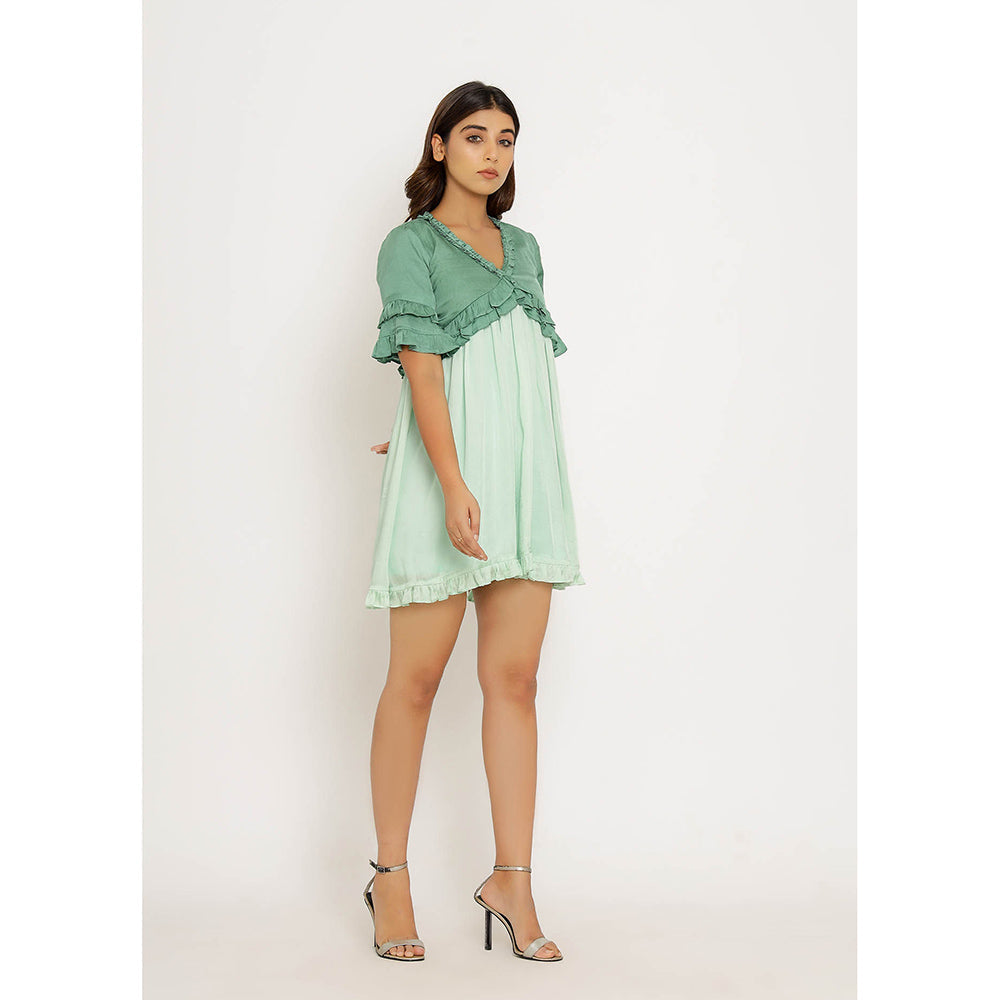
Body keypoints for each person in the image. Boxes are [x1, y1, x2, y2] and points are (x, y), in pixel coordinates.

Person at [362, 81, 585, 963]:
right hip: (447, 483)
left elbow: (512, 369)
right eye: (476, 136)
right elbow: (423, 368)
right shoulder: (410, 244)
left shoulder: (524, 248)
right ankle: (389, 879)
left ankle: (512, 883)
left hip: (527, 482)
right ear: (440, 145)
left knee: (516, 683)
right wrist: (447, 474)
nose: (493, 153)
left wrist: (491, 455)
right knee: (415, 682)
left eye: (507, 139)